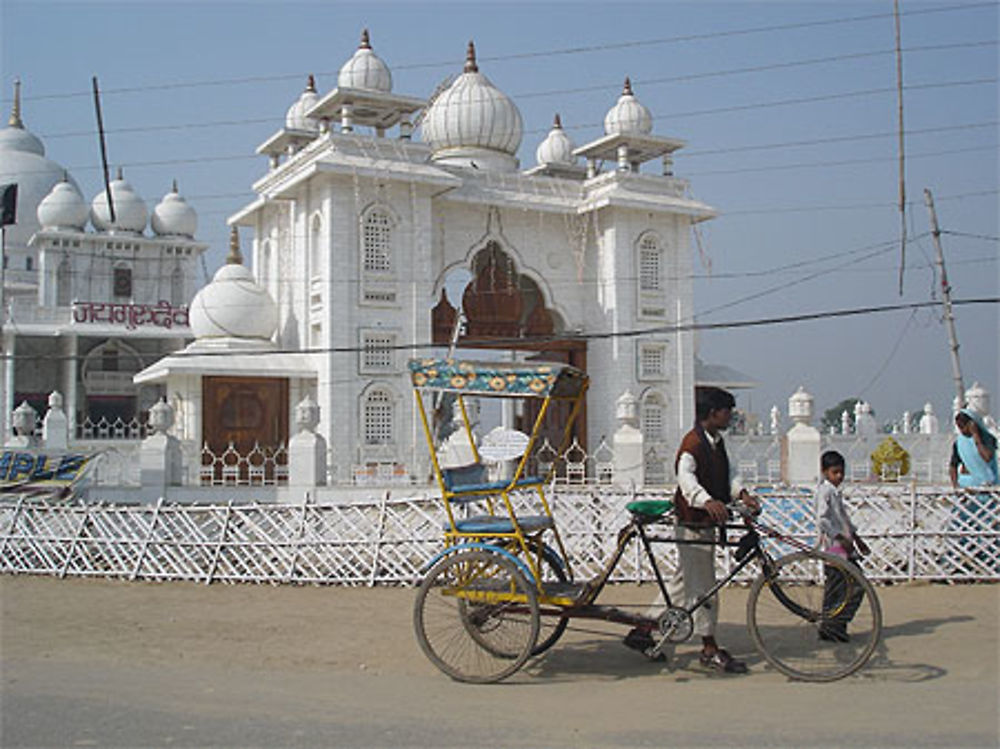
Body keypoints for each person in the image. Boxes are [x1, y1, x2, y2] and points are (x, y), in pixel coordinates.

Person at [623, 386, 759, 673]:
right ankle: (709, 646)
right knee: (705, 587)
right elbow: (686, 480)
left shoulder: (716, 441)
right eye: (727, 412)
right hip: (693, 523)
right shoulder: (692, 444)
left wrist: (741, 493)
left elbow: (730, 472)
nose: (731, 417)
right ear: (712, 413)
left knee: (684, 582)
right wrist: (706, 500)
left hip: (705, 522)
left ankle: (644, 629)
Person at [814, 450, 869, 642]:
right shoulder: (825, 492)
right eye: (834, 472)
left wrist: (856, 538)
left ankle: (833, 626)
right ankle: (833, 626)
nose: (839, 477)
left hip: (843, 547)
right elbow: (822, 520)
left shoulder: (835, 492)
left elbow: (843, 518)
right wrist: (839, 537)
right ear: (824, 472)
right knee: (851, 586)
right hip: (833, 548)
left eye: (841, 473)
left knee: (841, 588)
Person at [949, 409, 998, 489]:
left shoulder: (987, 439)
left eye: (963, 427)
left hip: (988, 486)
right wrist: (955, 486)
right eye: (959, 428)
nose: (962, 431)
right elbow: (953, 466)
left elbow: (987, 457)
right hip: (966, 486)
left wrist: (976, 436)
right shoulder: (959, 443)